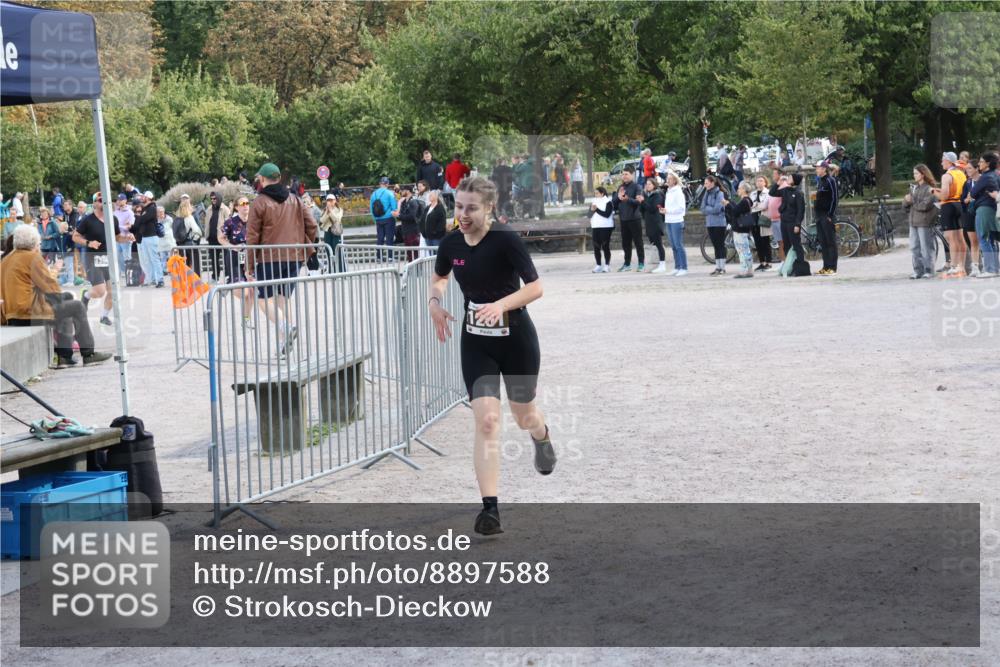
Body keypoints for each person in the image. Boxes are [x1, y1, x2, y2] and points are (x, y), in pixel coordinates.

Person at [428, 176, 554, 535]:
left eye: (471, 208)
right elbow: (439, 278)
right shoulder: (451, 242)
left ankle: (541, 435)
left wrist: (500, 304)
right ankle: (490, 510)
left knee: (524, 416)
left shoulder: (505, 240)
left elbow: (536, 287)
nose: (463, 215)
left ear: (489, 208)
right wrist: (434, 302)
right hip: (476, 341)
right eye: (458, 207)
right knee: (486, 422)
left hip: (516, 338)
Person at [0, 225, 111, 367]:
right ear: (34, 242)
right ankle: (88, 354)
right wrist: (59, 299)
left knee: (66, 302)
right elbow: (49, 286)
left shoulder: (6, 260)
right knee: (76, 306)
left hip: (12, 314)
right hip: (28, 313)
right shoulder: (31, 257)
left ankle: (65, 357)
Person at [245, 162, 319, 356]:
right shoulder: (295, 199)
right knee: (282, 299)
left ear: (262, 179)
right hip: (294, 256)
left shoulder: (259, 202)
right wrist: (306, 247)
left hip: (269, 257)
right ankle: (283, 345)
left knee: (262, 299)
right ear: (278, 178)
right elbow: (312, 225)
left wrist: (249, 266)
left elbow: (252, 236)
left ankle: (286, 328)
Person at [72, 192, 123, 326]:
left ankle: (104, 316)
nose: (104, 203)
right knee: (100, 291)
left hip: (109, 258)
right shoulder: (88, 220)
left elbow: (117, 237)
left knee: (113, 291)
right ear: (94, 203)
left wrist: (127, 238)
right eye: (100, 200)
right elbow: (75, 236)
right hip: (93, 258)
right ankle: (86, 296)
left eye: (106, 200)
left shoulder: (113, 219)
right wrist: (89, 243)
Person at [219, 196, 256, 326]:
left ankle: (246, 319)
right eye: (242, 203)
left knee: (252, 291)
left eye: (247, 203)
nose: (246, 205)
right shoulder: (231, 222)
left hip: (250, 259)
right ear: (237, 207)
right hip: (235, 258)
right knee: (245, 291)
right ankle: (229, 285)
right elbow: (221, 238)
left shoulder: (254, 221)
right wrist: (233, 247)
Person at [933, 152, 968, 278]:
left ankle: (953, 266)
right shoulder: (961, 173)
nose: (941, 162)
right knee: (960, 237)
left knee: (950, 237)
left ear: (948, 161)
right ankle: (961, 266)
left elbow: (945, 195)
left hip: (949, 206)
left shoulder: (947, 176)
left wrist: (933, 192)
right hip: (960, 205)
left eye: (943, 160)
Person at [903, 164, 939, 279]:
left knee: (926, 247)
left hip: (925, 221)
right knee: (914, 247)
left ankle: (929, 270)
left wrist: (912, 200)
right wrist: (906, 201)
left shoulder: (930, 188)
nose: (914, 176)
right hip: (913, 222)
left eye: (916, 173)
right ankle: (918, 270)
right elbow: (906, 207)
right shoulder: (915, 188)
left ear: (923, 174)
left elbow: (925, 206)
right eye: (914, 173)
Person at [970, 152, 1000, 277]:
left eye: (981, 161)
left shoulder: (985, 177)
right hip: (992, 208)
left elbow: (972, 193)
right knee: (991, 239)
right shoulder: (996, 175)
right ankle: (994, 268)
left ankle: (990, 269)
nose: (979, 163)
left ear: (987, 163)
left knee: (984, 238)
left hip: (983, 209)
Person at [612, 166, 644, 272]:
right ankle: (627, 264)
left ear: (632, 174)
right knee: (625, 243)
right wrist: (618, 196)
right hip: (623, 219)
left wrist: (627, 199)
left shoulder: (637, 187)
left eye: (626, 174)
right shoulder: (620, 187)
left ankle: (641, 263)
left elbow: (638, 202)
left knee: (638, 242)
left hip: (634, 218)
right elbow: (614, 204)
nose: (624, 176)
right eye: (623, 174)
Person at [814, 160, 839, 275]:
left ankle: (832, 268)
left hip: (827, 215)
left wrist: (830, 214)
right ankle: (825, 266)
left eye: (818, 168)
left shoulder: (830, 180)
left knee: (830, 242)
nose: (816, 169)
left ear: (824, 169)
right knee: (823, 242)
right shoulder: (820, 181)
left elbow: (834, 199)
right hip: (819, 216)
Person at [133, 191, 163, 287]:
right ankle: (151, 279)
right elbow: (141, 219)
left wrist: (140, 217)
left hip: (151, 237)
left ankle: (160, 280)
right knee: (148, 260)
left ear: (148, 198)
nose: (142, 198)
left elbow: (143, 219)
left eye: (144, 197)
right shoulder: (145, 208)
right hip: (145, 237)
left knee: (154, 259)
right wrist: (140, 217)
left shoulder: (152, 208)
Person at [778, 174, 807, 273]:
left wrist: (797, 224)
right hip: (784, 222)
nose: (787, 179)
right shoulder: (785, 190)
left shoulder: (798, 193)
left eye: (790, 177)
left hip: (793, 223)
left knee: (796, 244)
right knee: (786, 245)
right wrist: (778, 182)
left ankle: (800, 266)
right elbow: (773, 193)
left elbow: (800, 211)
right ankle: (789, 266)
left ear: (794, 180)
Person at [638, 178, 667, 273]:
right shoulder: (646, 195)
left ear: (654, 185)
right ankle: (655, 263)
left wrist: (643, 201)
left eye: (649, 184)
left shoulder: (658, 195)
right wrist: (640, 202)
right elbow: (642, 209)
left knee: (658, 244)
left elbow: (652, 208)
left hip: (656, 222)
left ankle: (662, 264)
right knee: (653, 244)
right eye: (646, 184)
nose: (647, 185)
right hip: (649, 222)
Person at [700, 175, 728, 275]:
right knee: (715, 245)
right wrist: (709, 208)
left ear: (712, 183)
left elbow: (717, 209)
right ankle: (717, 267)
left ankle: (722, 267)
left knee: (720, 245)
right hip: (710, 223)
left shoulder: (719, 193)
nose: (705, 185)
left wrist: (708, 209)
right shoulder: (706, 194)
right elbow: (702, 208)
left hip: (719, 223)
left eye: (706, 183)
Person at [662, 172, 688, 276]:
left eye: (670, 179)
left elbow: (681, 208)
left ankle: (683, 267)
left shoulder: (678, 192)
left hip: (676, 221)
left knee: (678, 245)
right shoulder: (668, 191)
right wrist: (665, 211)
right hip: (668, 220)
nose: (667, 180)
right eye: (667, 179)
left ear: (675, 181)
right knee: (673, 245)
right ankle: (677, 266)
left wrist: (668, 211)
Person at [727, 182, 755, 278]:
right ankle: (749, 269)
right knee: (745, 249)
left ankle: (744, 270)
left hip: (740, 228)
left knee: (741, 250)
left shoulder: (744, 201)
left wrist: (728, 204)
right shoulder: (747, 200)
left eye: (739, 188)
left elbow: (735, 212)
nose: (738, 190)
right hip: (744, 229)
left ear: (743, 189)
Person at [960, 160, 980, 276]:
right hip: (969, 213)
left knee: (985, 239)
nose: (967, 171)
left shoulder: (983, 180)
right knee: (973, 241)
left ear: (977, 168)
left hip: (981, 212)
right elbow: (962, 199)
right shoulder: (967, 183)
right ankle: (975, 266)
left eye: (970, 169)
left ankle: (991, 264)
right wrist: (966, 200)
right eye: (966, 169)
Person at [393, 185, 425, 260]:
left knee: (415, 254)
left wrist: (399, 215)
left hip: (413, 231)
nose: (401, 192)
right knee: (409, 254)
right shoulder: (404, 202)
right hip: (406, 231)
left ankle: (417, 270)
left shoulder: (413, 201)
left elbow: (412, 217)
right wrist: (397, 213)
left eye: (402, 190)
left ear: (407, 191)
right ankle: (411, 270)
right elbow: (401, 215)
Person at [749, 175, 773, 271]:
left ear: (765, 182)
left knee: (765, 241)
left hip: (763, 218)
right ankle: (762, 262)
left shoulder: (768, 193)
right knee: (757, 242)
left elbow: (765, 206)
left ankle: (769, 262)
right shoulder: (753, 194)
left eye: (761, 181)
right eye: (758, 181)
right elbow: (750, 205)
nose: (759, 182)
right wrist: (756, 205)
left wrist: (756, 205)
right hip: (754, 218)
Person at [589, 186, 614, 273]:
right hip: (595, 226)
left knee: (605, 246)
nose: (595, 195)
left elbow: (607, 214)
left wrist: (596, 210)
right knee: (596, 246)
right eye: (595, 193)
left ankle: (607, 265)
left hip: (606, 226)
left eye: (597, 193)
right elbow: (590, 213)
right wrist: (592, 211)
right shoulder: (594, 201)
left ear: (602, 193)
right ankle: (598, 265)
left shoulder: (608, 202)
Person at [370, 176, 398, 249]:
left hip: (378, 219)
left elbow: (371, 208)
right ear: (387, 184)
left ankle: (379, 257)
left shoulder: (374, 194)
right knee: (389, 238)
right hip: (389, 218)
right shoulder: (389, 193)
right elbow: (394, 207)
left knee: (380, 239)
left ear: (380, 184)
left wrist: (374, 218)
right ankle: (390, 257)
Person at [112, 193, 135, 277]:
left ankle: (129, 273)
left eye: (120, 200)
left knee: (127, 257)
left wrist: (119, 226)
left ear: (125, 201)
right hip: (117, 237)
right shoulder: (115, 212)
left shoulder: (130, 212)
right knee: (118, 257)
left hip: (126, 237)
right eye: (118, 200)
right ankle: (123, 272)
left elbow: (130, 226)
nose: (118, 201)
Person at [319, 194, 344, 265]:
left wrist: (330, 212)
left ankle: (340, 271)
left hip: (336, 232)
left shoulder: (339, 210)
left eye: (331, 200)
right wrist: (327, 212)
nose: (330, 202)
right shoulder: (325, 210)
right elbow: (321, 220)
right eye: (328, 200)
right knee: (328, 251)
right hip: (327, 232)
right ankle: (331, 271)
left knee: (337, 251)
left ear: (335, 201)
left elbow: (337, 219)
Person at [155, 206, 175, 274]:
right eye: (159, 212)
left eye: (161, 212)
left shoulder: (169, 219)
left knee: (171, 257)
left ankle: (171, 269)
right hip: (161, 243)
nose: (160, 213)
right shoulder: (156, 221)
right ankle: (164, 271)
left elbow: (173, 228)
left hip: (170, 241)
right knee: (162, 258)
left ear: (164, 212)